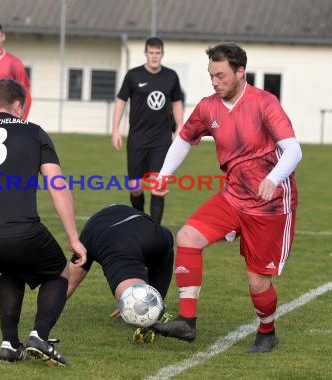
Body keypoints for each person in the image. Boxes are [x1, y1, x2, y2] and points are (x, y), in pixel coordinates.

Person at [151, 43, 302, 353]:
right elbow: (184, 140)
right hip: (233, 197)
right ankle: (187, 321)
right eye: (211, 75)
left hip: (270, 205)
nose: (215, 81)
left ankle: (267, 331)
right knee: (188, 237)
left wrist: (273, 179)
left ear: (240, 72)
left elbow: (293, 149)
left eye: (220, 75)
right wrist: (164, 174)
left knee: (257, 282)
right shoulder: (208, 107)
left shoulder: (264, 103)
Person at [0, 78, 86, 366]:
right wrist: (73, 237)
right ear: (19, 106)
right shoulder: (34, 133)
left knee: (12, 269)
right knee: (60, 271)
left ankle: (10, 344)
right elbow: (57, 185)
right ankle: (40, 335)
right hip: (21, 230)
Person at [111, 37, 184, 224]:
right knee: (135, 187)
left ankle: (154, 230)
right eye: (151, 53)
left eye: (157, 53)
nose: (154, 56)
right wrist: (115, 130)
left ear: (162, 54)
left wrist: (180, 127)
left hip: (161, 139)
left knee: (157, 185)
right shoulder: (133, 75)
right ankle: (140, 221)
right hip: (137, 139)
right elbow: (121, 102)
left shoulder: (171, 76)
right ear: (146, 54)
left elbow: (177, 102)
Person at [67, 204, 174, 314]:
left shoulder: (89, 232)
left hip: (120, 243)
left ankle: (137, 305)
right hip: (159, 235)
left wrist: (50, 303)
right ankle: (155, 303)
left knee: (136, 303)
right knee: (162, 254)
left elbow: (70, 281)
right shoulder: (128, 212)